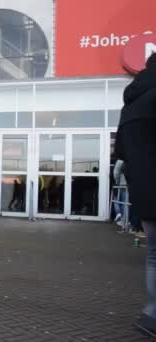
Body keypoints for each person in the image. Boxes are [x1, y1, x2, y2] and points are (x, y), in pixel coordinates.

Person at [115, 53, 156, 337]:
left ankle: (151, 315)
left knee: (154, 256)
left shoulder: (130, 104)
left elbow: (121, 154)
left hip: (146, 192)